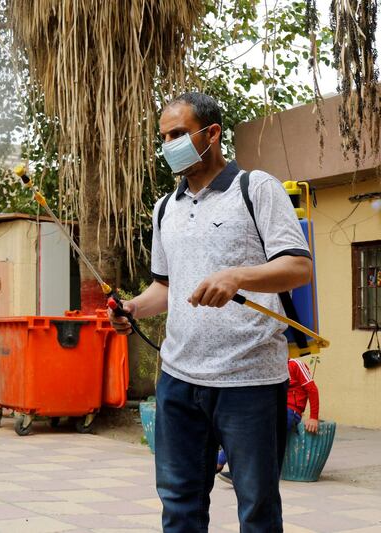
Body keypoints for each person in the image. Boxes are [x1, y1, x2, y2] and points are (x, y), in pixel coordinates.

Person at [109, 92, 312, 532]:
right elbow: (166, 287)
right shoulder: (165, 208)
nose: (169, 144)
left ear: (212, 134)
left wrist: (238, 276)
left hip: (250, 381)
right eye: (164, 137)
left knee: (257, 507)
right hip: (179, 382)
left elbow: (298, 266)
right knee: (178, 504)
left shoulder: (256, 189)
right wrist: (132, 308)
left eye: (179, 133)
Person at [217, 357, 322, 483]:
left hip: (289, 410)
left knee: (260, 438)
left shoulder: (295, 364)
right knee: (244, 427)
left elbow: (312, 389)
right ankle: (220, 462)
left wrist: (314, 417)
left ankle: (240, 474)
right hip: (271, 408)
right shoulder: (270, 365)